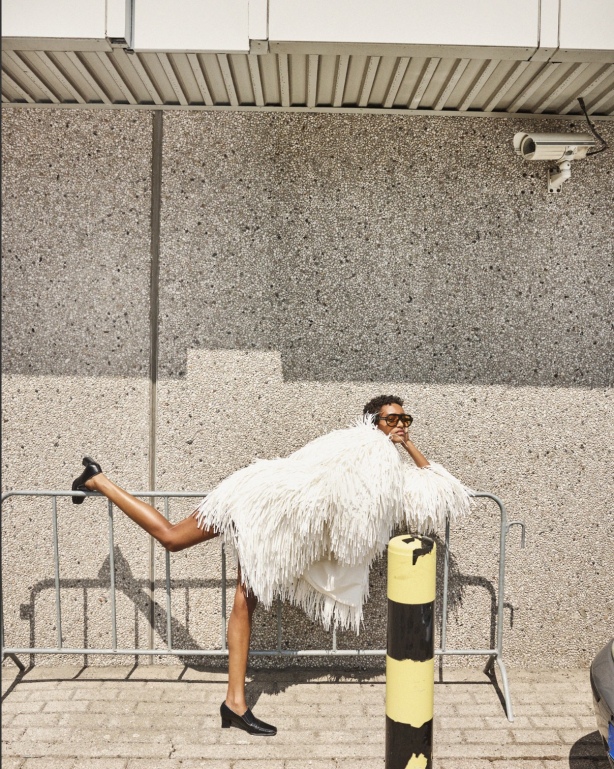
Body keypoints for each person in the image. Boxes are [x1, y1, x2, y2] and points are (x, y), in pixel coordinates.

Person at [72, 394, 471, 736]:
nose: (399, 424)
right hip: (263, 507)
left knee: (205, 565)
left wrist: (408, 445)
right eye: (391, 419)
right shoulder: (361, 445)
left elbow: (439, 491)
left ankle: (234, 702)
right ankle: (99, 481)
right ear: (372, 422)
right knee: (185, 549)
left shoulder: (382, 462)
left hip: (262, 504)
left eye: (405, 419)